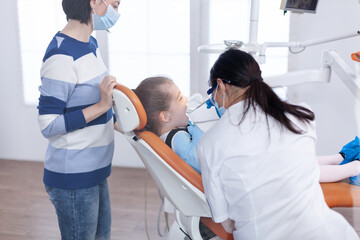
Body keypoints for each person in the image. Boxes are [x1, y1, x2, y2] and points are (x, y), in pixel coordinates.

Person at [196, 48, 359, 239]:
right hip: (327, 232)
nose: (214, 99)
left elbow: (224, 219)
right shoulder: (301, 114)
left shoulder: (209, 144)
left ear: (221, 85)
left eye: (212, 92)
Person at [37, 0, 121, 239]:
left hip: (96, 170)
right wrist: (102, 105)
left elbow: (93, 105)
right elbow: (48, 125)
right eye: (115, 4)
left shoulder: (90, 44)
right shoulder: (61, 56)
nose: (116, 12)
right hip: (73, 178)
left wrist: (127, 121)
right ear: (94, 2)